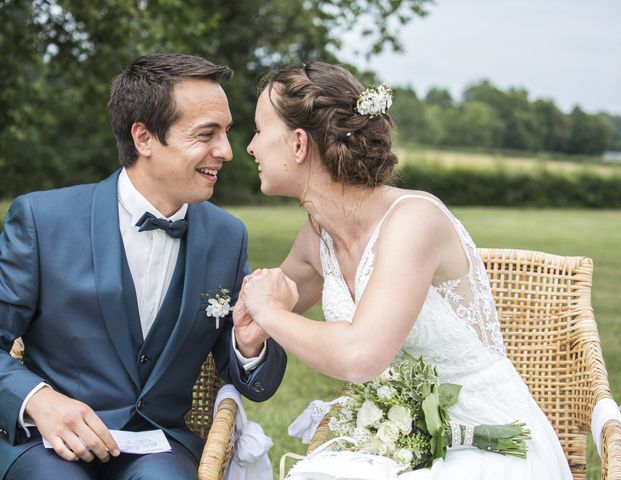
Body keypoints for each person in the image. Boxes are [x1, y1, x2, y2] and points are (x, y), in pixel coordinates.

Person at [240, 62, 572, 478]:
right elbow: (255, 310)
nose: (250, 146)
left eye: (258, 129)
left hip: (488, 440)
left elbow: (360, 356)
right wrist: (251, 326)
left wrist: (272, 313)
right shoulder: (316, 238)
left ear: (298, 144)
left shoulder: (414, 220)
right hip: (398, 440)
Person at [0, 53, 287, 480]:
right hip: (50, 445)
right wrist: (39, 401)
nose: (226, 151)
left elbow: (247, 378)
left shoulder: (228, 237)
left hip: (161, 448)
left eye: (226, 132)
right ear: (144, 137)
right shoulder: (44, 221)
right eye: (207, 134)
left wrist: (248, 346)